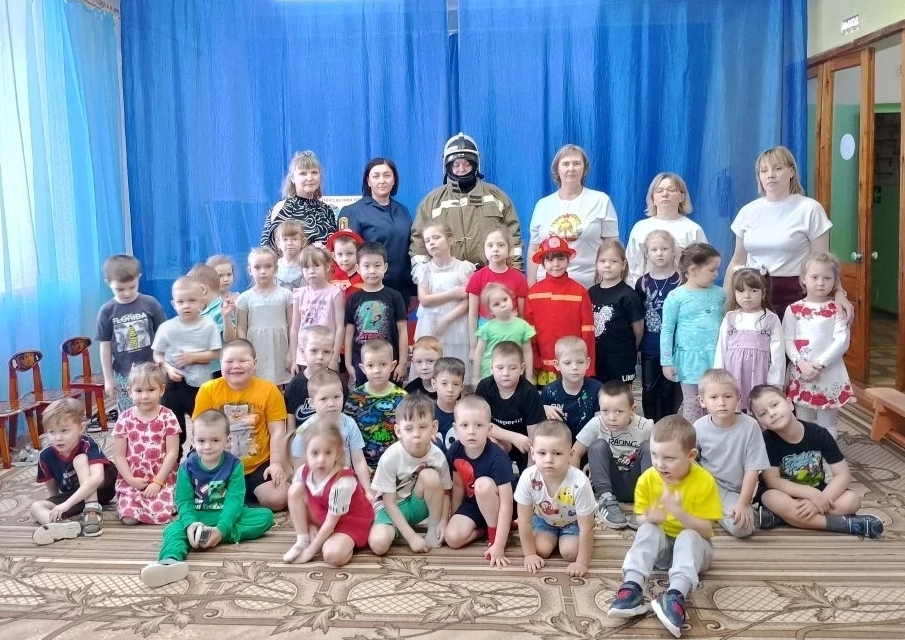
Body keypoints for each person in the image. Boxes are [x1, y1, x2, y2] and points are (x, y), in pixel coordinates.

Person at [607, 416, 722, 638]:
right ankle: (631, 587)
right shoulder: (648, 478)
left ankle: (675, 595)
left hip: (697, 551)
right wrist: (648, 518)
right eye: (654, 455)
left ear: (691, 456)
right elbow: (640, 518)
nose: (660, 464)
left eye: (669, 458)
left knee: (688, 535)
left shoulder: (705, 481)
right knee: (647, 530)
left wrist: (679, 513)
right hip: (662, 553)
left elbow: (706, 530)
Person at [139, 410, 275, 588]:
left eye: (215, 440)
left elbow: (234, 501)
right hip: (197, 516)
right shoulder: (187, 467)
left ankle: (213, 536)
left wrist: (221, 529)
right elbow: (184, 501)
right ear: (193, 441)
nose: (208, 446)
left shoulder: (235, 465)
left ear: (227, 441)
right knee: (173, 530)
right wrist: (190, 525)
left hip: (224, 515)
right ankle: (169, 562)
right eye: (201, 441)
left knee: (265, 517)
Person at [727, 146, 853, 322]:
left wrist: (838, 292)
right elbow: (737, 260)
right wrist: (726, 302)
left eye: (777, 168)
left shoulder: (809, 209)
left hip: (797, 296)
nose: (770, 175)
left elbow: (824, 261)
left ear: (792, 172)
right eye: (764, 170)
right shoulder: (747, 211)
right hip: (754, 296)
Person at [749, 384, 883, 538]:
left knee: (852, 500)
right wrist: (810, 494)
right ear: (760, 422)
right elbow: (773, 481)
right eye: (763, 413)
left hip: (819, 492)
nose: (772, 413)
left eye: (774, 405)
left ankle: (781, 518)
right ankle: (845, 525)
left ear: (789, 403)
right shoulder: (766, 441)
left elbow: (843, 475)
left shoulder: (819, 434)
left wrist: (820, 499)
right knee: (770, 498)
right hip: (784, 494)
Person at [192, 339, 289, 511]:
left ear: (255, 363)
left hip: (257, 465)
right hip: (219, 463)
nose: (236, 366)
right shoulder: (208, 390)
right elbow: (200, 432)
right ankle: (238, 495)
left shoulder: (269, 390)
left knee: (278, 498)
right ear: (220, 363)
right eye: (229, 361)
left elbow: (277, 432)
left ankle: (243, 493)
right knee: (206, 500)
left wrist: (276, 464)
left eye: (243, 361)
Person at [411, 132, 522, 273]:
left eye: (467, 164)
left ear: (475, 165)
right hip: (447, 278)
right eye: (456, 164)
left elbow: (513, 236)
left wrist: (514, 272)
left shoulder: (497, 197)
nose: (461, 169)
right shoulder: (432, 202)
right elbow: (419, 242)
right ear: (448, 166)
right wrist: (423, 277)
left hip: (491, 276)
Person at [368, 394, 453, 555]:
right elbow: (389, 503)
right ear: (398, 431)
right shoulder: (390, 457)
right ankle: (399, 529)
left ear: (434, 427)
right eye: (409, 429)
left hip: (416, 505)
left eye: (423, 427)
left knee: (430, 476)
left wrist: (443, 521)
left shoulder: (437, 456)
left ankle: (432, 528)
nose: (416, 434)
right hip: (390, 509)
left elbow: (447, 491)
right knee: (378, 545)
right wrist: (412, 537)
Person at [783, 252, 854, 439]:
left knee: (827, 422)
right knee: (803, 419)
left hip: (829, 371)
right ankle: (806, 452)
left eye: (827, 278)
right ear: (803, 279)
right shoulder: (793, 309)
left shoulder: (837, 310)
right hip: (802, 371)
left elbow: (842, 340)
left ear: (835, 281)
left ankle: (828, 454)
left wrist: (820, 364)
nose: (820, 283)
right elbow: (787, 340)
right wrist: (801, 364)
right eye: (814, 277)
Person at [283, 420, 375, 566]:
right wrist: (310, 525)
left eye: (328, 452)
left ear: (337, 453)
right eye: (315, 453)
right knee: (295, 490)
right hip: (324, 514)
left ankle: (345, 543)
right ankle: (302, 540)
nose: (321, 460)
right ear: (306, 453)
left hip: (349, 521)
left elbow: (332, 522)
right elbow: (303, 501)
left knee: (333, 555)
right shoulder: (303, 471)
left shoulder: (343, 482)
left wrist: (311, 551)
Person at [528, 144, 619, 288]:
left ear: (584, 169)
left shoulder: (601, 201)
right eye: (566, 164)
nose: (571, 168)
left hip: (590, 286)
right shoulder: (542, 205)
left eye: (576, 163)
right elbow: (534, 249)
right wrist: (531, 285)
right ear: (557, 169)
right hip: (548, 287)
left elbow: (612, 246)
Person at [693, 369, 770, 538]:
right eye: (714, 397)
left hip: (734, 491)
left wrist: (743, 503)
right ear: (702, 401)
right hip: (706, 484)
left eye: (727, 396)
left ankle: (712, 509)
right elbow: (691, 460)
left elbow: (752, 470)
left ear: (738, 398)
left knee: (742, 528)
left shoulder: (750, 426)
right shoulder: (698, 427)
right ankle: (710, 507)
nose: (721, 402)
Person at [30, 397, 117, 545]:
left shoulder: (87, 444)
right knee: (35, 507)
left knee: (80, 460)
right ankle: (58, 526)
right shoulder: (46, 456)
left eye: (64, 431)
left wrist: (67, 504)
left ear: (81, 428)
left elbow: (97, 478)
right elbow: (53, 490)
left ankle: (92, 511)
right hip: (75, 494)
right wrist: (57, 507)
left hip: (103, 488)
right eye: (52, 432)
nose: (58, 438)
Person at [516, 420, 596, 577]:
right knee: (541, 550)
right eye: (542, 453)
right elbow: (524, 521)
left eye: (557, 453)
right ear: (533, 453)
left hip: (573, 522)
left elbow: (586, 527)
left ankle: (570, 539)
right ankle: (551, 537)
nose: (549, 459)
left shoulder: (580, 482)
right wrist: (529, 554)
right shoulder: (528, 477)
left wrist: (582, 563)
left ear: (570, 455)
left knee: (569, 553)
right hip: (544, 520)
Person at [152, 276, 222, 451]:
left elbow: (216, 353)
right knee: (173, 426)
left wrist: (193, 358)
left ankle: (200, 454)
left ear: (201, 301)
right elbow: (157, 355)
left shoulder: (209, 325)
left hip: (201, 385)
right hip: (172, 383)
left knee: (203, 423)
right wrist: (168, 368)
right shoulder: (166, 327)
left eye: (192, 300)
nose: (186, 305)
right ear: (173, 304)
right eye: (181, 302)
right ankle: (174, 457)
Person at [445, 395, 516, 566]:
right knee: (452, 538)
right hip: (473, 504)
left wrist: (499, 545)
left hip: (499, 504)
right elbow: (458, 485)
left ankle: (494, 533)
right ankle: (483, 530)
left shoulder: (498, 458)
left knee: (482, 485)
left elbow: (507, 503)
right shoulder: (455, 450)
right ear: (456, 429)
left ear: (489, 428)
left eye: (478, 425)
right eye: (465, 425)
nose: (471, 431)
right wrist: (454, 516)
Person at [572, 381, 653, 530]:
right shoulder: (596, 424)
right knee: (597, 446)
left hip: (638, 483)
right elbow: (575, 453)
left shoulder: (646, 426)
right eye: (605, 411)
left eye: (619, 411)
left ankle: (647, 503)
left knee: (650, 447)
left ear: (632, 410)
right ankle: (606, 501)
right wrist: (574, 485)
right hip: (609, 483)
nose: (612, 417)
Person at [661, 243, 725, 424]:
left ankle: (714, 434)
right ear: (693, 270)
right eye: (712, 270)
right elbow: (667, 329)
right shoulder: (676, 296)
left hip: (715, 358)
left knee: (715, 401)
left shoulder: (721, 295)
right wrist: (666, 362)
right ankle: (692, 436)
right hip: (689, 360)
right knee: (693, 403)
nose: (716, 274)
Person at [96, 254, 166, 413]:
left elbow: (164, 336)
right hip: (124, 374)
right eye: (120, 289)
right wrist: (108, 378)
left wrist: (164, 365)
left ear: (138, 278)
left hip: (153, 370)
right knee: (130, 415)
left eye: (132, 287)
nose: (127, 293)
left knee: (155, 411)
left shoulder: (151, 303)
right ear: (108, 283)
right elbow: (105, 347)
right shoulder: (106, 311)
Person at [111, 363, 180, 525]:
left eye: (151, 390)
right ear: (129, 392)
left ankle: (159, 503)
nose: (145, 396)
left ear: (161, 390)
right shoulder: (124, 419)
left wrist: (158, 482)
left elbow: (172, 453)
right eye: (139, 391)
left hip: (162, 479)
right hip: (133, 481)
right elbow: (119, 456)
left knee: (163, 514)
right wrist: (131, 480)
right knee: (129, 519)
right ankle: (135, 505)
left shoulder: (168, 416)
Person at [339, 158, 415, 300]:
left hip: (402, 290)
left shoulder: (403, 210)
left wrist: (413, 289)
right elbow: (346, 257)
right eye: (376, 176)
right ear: (368, 181)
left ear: (394, 180)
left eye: (387, 175)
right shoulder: (352, 212)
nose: (382, 180)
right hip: (368, 290)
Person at [287, 369, 372, 496]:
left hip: (344, 484)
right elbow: (299, 467)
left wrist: (367, 491)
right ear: (312, 403)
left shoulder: (349, 424)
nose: (331, 403)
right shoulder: (305, 431)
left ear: (343, 396)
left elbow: (358, 461)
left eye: (336, 397)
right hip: (316, 489)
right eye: (323, 399)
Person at [525, 236, 595, 386]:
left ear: (568, 260)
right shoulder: (533, 293)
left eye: (561, 259)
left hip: (573, 366)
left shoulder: (580, 292)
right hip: (544, 367)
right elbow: (529, 331)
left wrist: (588, 366)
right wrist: (534, 360)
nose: (556, 264)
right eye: (550, 260)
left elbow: (588, 332)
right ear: (542, 263)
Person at [714, 269, 783, 411]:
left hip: (759, 374)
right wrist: (718, 376)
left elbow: (778, 353)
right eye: (741, 291)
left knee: (759, 408)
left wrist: (775, 382)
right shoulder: (730, 318)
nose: (747, 295)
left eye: (753, 290)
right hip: (733, 374)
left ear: (763, 293)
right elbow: (721, 348)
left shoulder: (770, 319)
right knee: (734, 408)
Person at [344, 242, 409, 386]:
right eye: (366, 266)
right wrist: (348, 363)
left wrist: (402, 363)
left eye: (377, 265)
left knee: (391, 396)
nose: (372, 271)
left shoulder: (395, 297)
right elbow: (349, 333)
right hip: (362, 362)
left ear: (385, 267)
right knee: (363, 396)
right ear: (358, 268)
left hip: (389, 362)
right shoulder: (353, 299)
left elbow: (403, 331)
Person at [625, 173, 707, 286]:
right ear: (653, 198)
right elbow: (630, 265)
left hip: (682, 292)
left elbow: (704, 265)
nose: (665, 194)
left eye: (671, 190)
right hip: (642, 291)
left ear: (682, 196)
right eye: (659, 191)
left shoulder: (693, 230)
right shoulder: (640, 228)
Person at [414, 223, 474, 377]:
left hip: (456, 324)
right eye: (427, 240)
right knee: (431, 362)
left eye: (436, 237)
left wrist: (446, 320)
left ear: (450, 240)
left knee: (454, 368)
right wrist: (453, 293)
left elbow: (468, 300)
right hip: (431, 325)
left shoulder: (464, 268)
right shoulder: (424, 270)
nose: (432, 243)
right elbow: (425, 300)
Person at [475, 341, 546, 474]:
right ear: (491, 368)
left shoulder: (529, 392)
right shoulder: (484, 387)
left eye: (512, 368)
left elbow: (534, 436)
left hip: (525, 443)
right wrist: (513, 437)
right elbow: (480, 425)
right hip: (499, 439)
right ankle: (492, 477)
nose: (505, 373)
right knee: (490, 443)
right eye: (500, 368)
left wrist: (530, 474)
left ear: (522, 368)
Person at [635, 230, 681, 422]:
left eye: (664, 249)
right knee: (649, 387)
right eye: (654, 249)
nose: (660, 253)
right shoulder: (642, 283)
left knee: (669, 388)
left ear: (673, 251)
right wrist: (638, 347)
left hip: (674, 347)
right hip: (650, 346)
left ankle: (668, 425)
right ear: (647, 254)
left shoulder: (680, 281)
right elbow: (638, 318)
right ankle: (651, 425)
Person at [466, 226, 529, 360]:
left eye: (500, 245)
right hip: (487, 334)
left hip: (511, 332)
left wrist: (523, 343)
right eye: (490, 245)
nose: (495, 249)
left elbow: (522, 315)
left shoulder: (519, 278)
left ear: (509, 248)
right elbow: (472, 314)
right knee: (488, 367)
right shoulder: (477, 277)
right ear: (484, 249)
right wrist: (473, 347)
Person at [344, 339, 408, 469]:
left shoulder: (403, 398)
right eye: (370, 365)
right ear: (362, 368)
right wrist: (358, 465)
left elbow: (409, 430)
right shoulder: (355, 397)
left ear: (392, 366)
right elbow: (347, 432)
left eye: (383, 364)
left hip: (396, 464)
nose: (377, 370)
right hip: (363, 465)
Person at [588, 239, 644, 384]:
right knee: (599, 392)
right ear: (596, 264)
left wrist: (633, 348)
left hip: (621, 358)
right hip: (597, 357)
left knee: (621, 393)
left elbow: (638, 327)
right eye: (602, 261)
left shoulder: (628, 295)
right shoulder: (591, 292)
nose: (607, 265)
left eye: (614, 261)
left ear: (623, 264)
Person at [236, 247, 293, 386]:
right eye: (257, 267)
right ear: (250, 270)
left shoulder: (286, 295)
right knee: (257, 385)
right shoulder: (244, 298)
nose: (263, 271)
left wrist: (291, 352)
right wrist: (246, 355)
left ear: (276, 268)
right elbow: (241, 329)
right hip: (257, 350)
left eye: (268, 266)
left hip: (279, 350)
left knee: (280, 387)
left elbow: (292, 326)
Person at [260, 150, 337, 251]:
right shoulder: (282, 209)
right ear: (292, 178)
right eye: (303, 173)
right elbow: (266, 250)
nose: (310, 178)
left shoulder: (327, 210)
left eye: (314, 172)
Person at [288, 246, 344, 374]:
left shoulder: (335, 293)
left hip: (327, 356)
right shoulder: (299, 294)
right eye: (306, 268)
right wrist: (294, 359)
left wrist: (334, 358)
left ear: (327, 267)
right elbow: (294, 328)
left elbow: (340, 327)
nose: (311, 271)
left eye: (316, 266)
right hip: (304, 357)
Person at [472, 283, 536, 388]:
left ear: (511, 298)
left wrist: (529, 376)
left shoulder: (523, 326)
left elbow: (527, 352)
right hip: (490, 375)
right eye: (496, 304)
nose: (503, 305)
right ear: (490, 310)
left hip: (514, 374)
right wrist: (476, 376)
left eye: (505, 299)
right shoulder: (486, 328)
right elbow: (479, 353)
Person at [539, 336, 602, 438]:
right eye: (567, 363)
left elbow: (600, 427)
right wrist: (543, 409)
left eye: (580, 362)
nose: (574, 367)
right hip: (558, 443)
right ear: (557, 365)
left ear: (588, 363)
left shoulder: (597, 389)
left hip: (589, 442)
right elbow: (539, 424)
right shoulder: (549, 391)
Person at [285, 325, 344, 429]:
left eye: (326, 352)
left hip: (333, 436)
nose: (320, 357)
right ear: (303, 352)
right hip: (303, 438)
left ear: (332, 354)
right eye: (314, 351)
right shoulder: (294, 386)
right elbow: (291, 422)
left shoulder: (338, 382)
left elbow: (345, 417)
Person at [432, 356, 466, 453]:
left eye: (456, 384)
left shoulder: (466, 412)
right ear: (434, 384)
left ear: (462, 386)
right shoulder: (426, 411)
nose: (450, 389)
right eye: (444, 383)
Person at [326, 228, 364, 297]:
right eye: (340, 254)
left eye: (350, 253)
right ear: (334, 256)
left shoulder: (364, 275)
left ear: (358, 254)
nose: (345, 259)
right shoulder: (329, 276)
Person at [274, 220, 306, 291]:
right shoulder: (274, 265)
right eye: (285, 239)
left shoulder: (306, 265)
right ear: (278, 243)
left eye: (294, 239)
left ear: (302, 242)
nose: (289, 243)